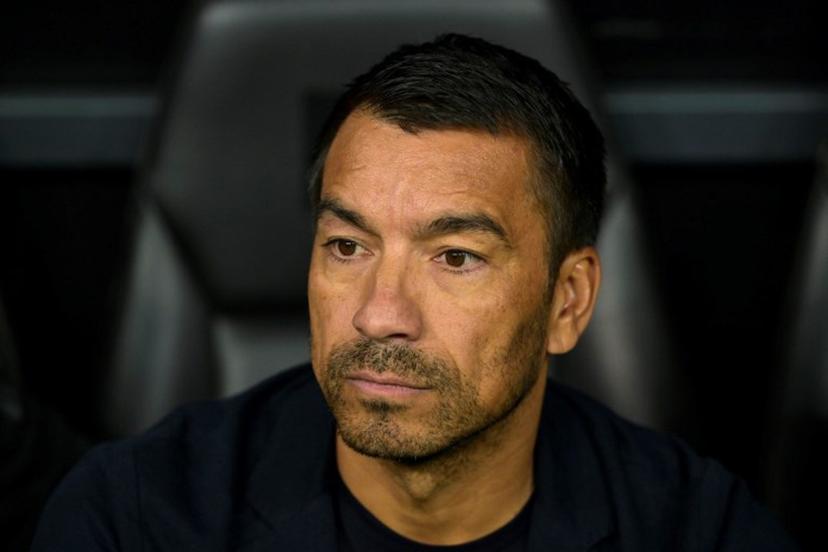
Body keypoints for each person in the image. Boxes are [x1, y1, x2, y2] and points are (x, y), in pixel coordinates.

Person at [32, 34, 797, 551]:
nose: (378, 314)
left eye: (455, 257)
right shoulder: (136, 519)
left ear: (568, 302)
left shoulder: (696, 530)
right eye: (347, 246)